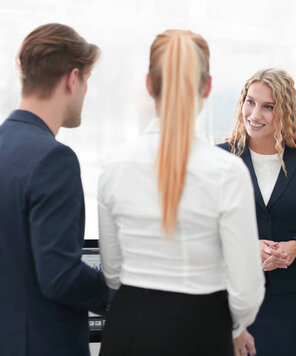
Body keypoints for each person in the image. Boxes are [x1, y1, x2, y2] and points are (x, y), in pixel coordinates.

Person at [98, 30, 264, 356]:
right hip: (201, 329)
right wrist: (230, 327)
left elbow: (113, 271)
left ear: (149, 84)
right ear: (207, 87)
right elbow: (246, 292)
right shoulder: (227, 173)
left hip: (127, 328)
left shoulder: (114, 166)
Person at [0, 23, 111, 355]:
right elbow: (60, 276)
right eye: (87, 81)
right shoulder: (54, 159)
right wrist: (122, 297)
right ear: (72, 79)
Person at [218, 68, 296, 356]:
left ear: (284, 110)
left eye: (268, 107)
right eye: (250, 102)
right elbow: (204, 231)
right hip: (232, 299)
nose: (255, 114)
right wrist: (247, 247)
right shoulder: (220, 158)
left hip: (293, 306)